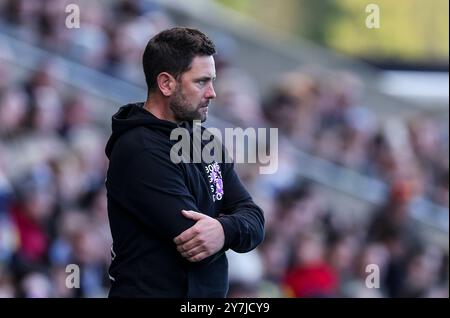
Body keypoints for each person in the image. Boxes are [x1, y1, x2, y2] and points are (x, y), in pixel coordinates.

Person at [105, 27, 265, 298]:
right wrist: (231, 227)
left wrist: (224, 230)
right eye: (201, 82)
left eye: (213, 81)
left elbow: (254, 218)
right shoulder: (140, 149)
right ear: (166, 83)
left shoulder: (204, 141)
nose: (212, 92)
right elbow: (194, 242)